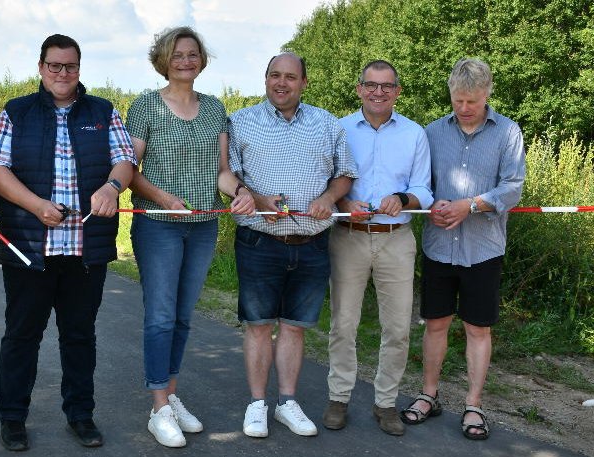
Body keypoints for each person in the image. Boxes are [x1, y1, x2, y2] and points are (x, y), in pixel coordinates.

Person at [0, 33, 136, 451]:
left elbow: (125, 159)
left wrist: (111, 187)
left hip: (86, 250)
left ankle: (81, 416)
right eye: (54, 65)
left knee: (79, 336)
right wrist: (36, 206)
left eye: (70, 66)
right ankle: (13, 419)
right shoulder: (16, 112)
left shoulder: (103, 112)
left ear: (79, 69)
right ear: (40, 68)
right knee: (21, 336)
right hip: (29, 248)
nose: (62, 73)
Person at [125, 26, 255, 448]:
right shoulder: (146, 105)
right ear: (164, 59)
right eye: (178, 54)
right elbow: (129, 169)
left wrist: (240, 191)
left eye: (193, 54)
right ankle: (158, 406)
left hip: (202, 227)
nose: (186, 61)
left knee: (182, 316)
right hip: (158, 225)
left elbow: (222, 173)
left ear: (202, 60)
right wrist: (162, 196)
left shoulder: (216, 109)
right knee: (160, 316)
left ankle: (172, 394)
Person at [228, 52, 357, 439]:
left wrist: (330, 198)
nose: (280, 83)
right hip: (258, 240)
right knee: (257, 326)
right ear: (265, 79)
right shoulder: (240, 122)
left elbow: (345, 174)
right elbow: (230, 175)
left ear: (304, 82)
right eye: (273, 76)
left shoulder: (327, 123)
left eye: (289, 77)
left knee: (294, 328)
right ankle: (257, 405)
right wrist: (256, 198)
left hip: (312, 242)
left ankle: (286, 402)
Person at [400, 57, 525, 441]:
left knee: (477, 327)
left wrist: (469, 204)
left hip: (483, 249)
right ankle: (429, 395)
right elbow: (419, 184)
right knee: (435, 323)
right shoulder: (432, 133)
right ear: (450, 94)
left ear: (487, 93)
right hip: (438, 246)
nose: (465, 108)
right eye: (458, 100)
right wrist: (430, 205)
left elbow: (513, 188)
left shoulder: (507, 132)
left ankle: (473, 405)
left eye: (472, 100)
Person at [323, 60, 433, 436]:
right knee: (343, 324)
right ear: (359, 89)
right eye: (371, 85)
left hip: (396, 240)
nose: (379, 92)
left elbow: (424, 190)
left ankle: (385, 402)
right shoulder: (337, 128)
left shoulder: (415, 134)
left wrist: (403, 198)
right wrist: (341, 205)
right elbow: (325, 183)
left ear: (397, 91)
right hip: (348, 236)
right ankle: (338, 397)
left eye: (387, 86)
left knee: (398, 328)